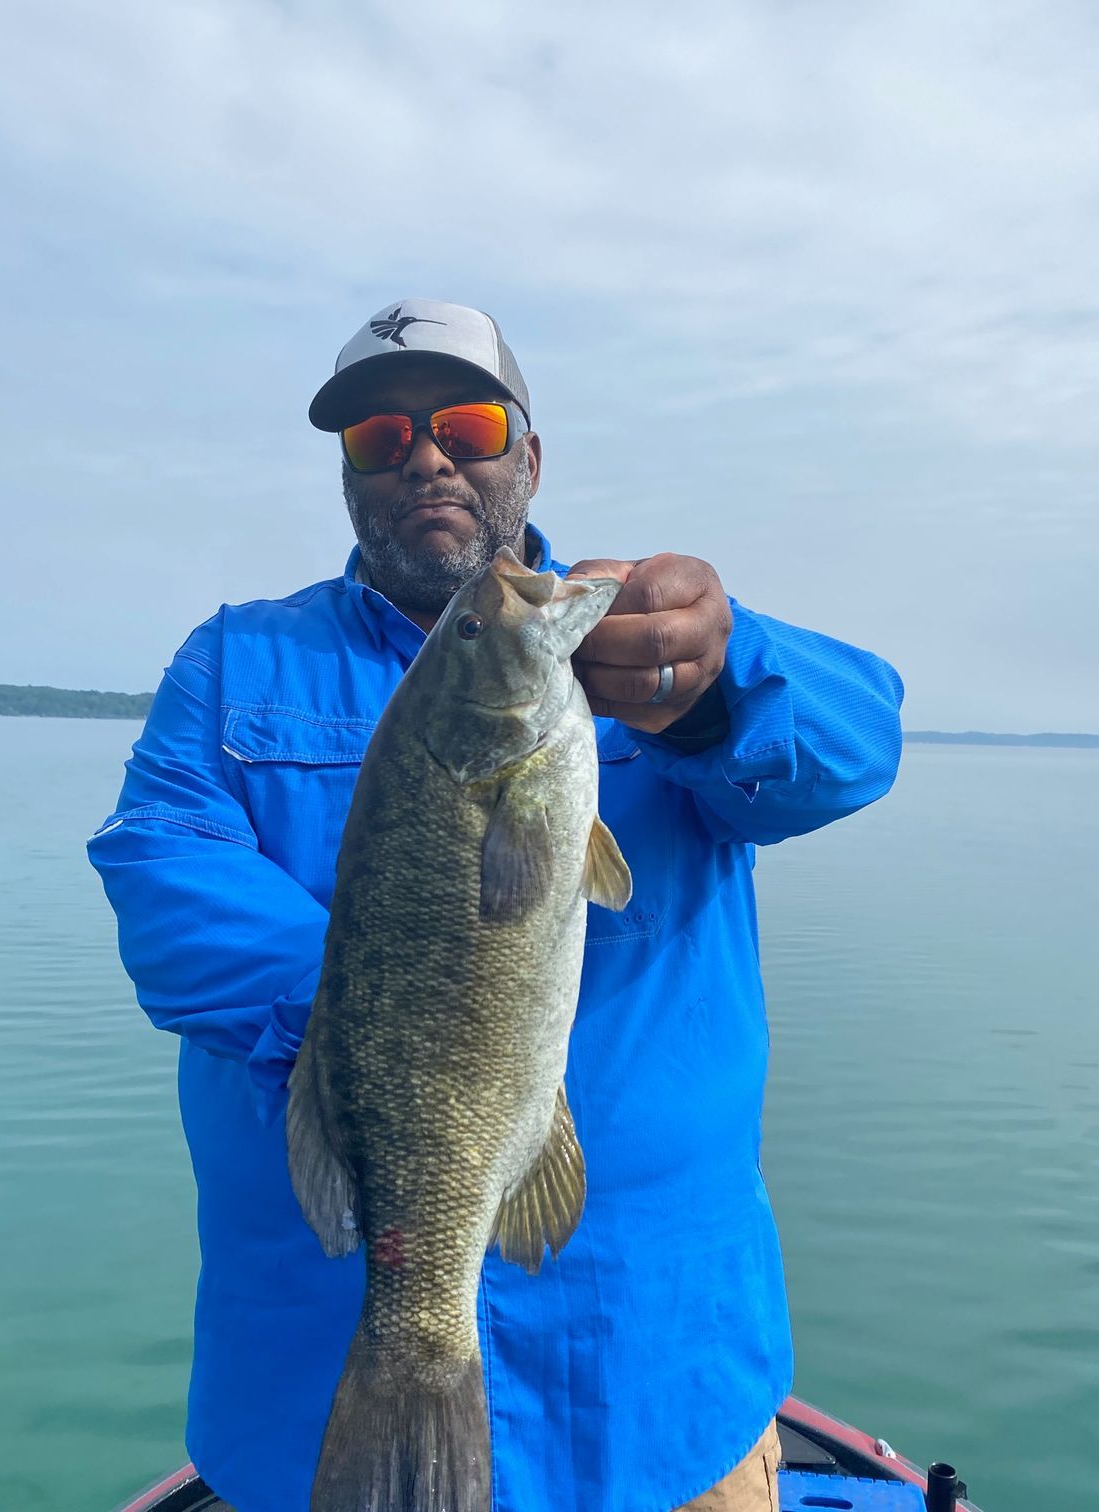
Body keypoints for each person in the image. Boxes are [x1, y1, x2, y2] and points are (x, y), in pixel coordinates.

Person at [89, 299, 904, 1512]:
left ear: (529, 453)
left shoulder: (652, 646)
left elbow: (861, 747)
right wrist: (386, 1040)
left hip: (654, 1373)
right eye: (380, 438)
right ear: (349, 475)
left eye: (465, 426)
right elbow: (162, 880)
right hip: (313, 1380)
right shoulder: (233, 664)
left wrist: (722, 682)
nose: (425, 457)